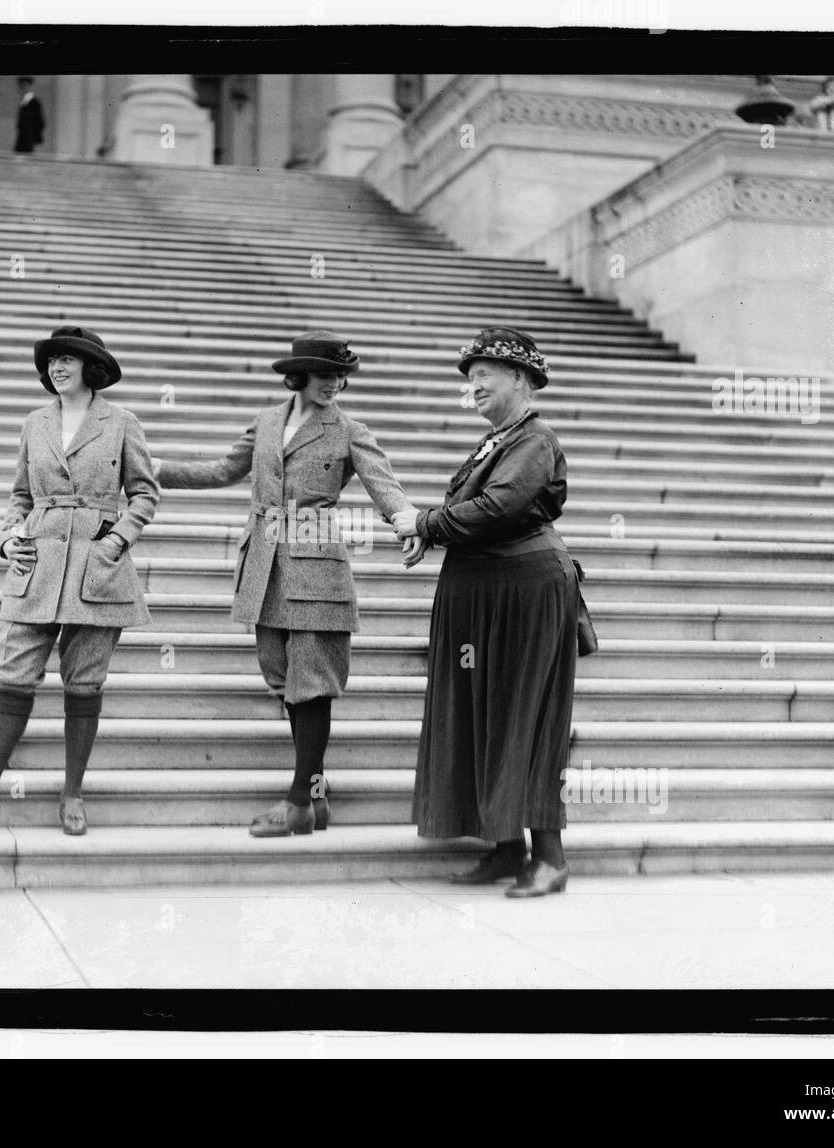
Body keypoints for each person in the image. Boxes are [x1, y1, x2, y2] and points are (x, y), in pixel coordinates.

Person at [153, 331, 418, 837]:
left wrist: (407, 521)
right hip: (264, 568)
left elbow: (384, 482)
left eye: (341, 376)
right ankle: (314, 799)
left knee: (312, 683)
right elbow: (225, 469)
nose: (334, 384)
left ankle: (300, 801)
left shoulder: (349, 430)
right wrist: (158, 468)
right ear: (298, 376)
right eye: (325, 375)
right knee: (282, 679)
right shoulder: (268, 421)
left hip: (317, 566)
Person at [0, 325, 159, 836]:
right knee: (13, 677)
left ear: (90, 368)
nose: (57, 367)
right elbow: (19, 497)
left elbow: (144, 494)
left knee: (85, 683)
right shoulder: (35, 422)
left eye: (68, 360)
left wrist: (117, 540)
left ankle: (72, 793)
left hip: (99, 570)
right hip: (37, 565)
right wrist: (8, 539)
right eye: (51, 361)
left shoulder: (121, 422)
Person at [396, 327, 579, 897]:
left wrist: (425, 524)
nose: (472, 386)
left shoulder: (534, 440)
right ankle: (507, 848)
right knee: (484, 715)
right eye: (469, 377)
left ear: (521, 381)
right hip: (483, 591)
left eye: (484, 375)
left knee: (526, 715)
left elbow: (499, 507)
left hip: (522, 590)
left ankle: (550, 858)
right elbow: (475, 508)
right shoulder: (499, 440)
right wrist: (436, 530)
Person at [15, 76, 45, 153]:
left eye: (26, 85)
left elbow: (40, 122)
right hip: (22, 138)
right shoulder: (23, 101)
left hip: (29, 140)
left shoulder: (35, 102)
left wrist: (35, 141)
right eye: (22, 85)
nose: (23, 87)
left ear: (30, 86)